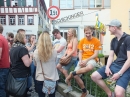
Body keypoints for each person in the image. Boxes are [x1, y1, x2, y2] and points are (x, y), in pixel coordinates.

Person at [91, 19, 130, 97]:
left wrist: (119, 73)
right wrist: (107, 67)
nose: (108, 29)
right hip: (115, 64)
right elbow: (111, 56)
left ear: (114, 28)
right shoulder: (113, 40)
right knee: (94, 76)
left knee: (118, 94)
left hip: (126, 67)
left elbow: (129, 59)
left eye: (109, 27)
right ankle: (110, 94)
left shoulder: (128, 39)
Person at [66, 26, 101, 97]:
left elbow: (96, 54)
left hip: (92, 59)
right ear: (84, 33)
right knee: (76, 77)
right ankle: (84, 91)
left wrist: (86, 60)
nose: (88, 35)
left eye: (89, 33)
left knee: (89, 67)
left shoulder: (96, 41)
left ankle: (72, 73)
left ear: (92, 32)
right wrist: (81, 61)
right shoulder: (82, 41)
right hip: (83, 59)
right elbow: (80, 52)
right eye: (86, 33)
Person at [33, 31, 59, 97]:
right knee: (52, 95)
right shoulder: (54, 51)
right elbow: (55, 62)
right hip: (52, 78)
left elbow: (35, 64)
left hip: (40, 78)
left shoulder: (36, 52)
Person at [9, 31, 32, 97]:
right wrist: (31, 57)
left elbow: (10, 61)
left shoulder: (13, 48)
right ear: (21, 39)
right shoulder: (22, 49)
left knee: (16, 92)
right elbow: (27, 64)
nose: (26, 39)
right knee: (21, 93)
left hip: (14, 73)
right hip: (21, 74)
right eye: (25, 38)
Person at [57, 28, 78, 93]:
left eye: (69, 32)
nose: (68, 33)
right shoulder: (69, 39)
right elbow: (67, 49)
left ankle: (69, 87)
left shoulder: (75, 39)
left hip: (72, 57)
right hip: (68, 56)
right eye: (68, 32)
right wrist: (64, 56)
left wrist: (66, 57)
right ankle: (68, 77)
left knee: (65, 71)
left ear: (73, 33)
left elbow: (74, 50)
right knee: (58, 66)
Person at [0, 24, 10, 97]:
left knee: (1, 88)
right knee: (4, 87)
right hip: (5, 66)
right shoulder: (3, 39)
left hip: (1, 67)